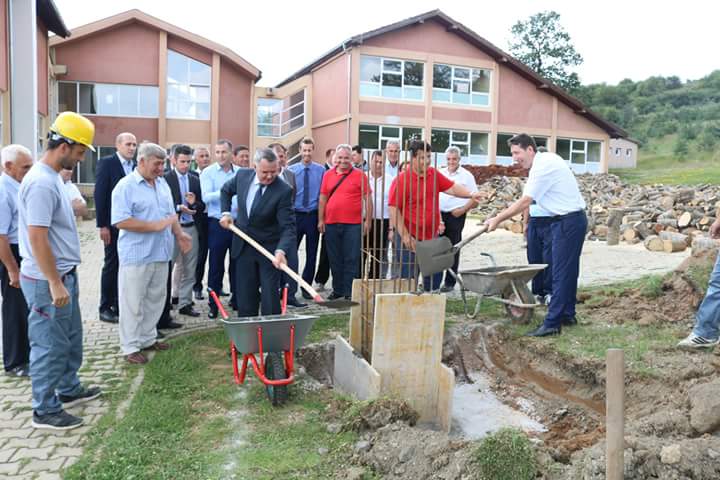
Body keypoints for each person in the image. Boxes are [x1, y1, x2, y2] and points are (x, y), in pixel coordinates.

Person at [18, 112, 102, 430]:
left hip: (63, 276)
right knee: (48, 345)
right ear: (64, 145)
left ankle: (68, 389)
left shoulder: (53, 177)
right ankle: (44, 408)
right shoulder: (40, 182)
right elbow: (37, 237)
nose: (81, 159)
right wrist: (54, 281)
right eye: (80, 152)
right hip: (46, 281)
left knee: (69, 338)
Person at [485, 133, 587, 337]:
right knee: (567, 271)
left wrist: (497, 219)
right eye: (512, 153)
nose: (514, 158)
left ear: (530, 149)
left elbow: (525, 201)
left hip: (568, 221)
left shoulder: (542, 166)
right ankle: (567, 314)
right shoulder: (546, 160)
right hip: (565, 221)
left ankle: (552, 323)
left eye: (517, 152)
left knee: (559, 274)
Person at [112, 142, 192, 364]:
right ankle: (130, 346)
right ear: (142, 161)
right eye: (157, 164)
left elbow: (170, 215)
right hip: (137, 255)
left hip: (161, 253)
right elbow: (120, 220)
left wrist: (179, 235)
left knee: (156, 299)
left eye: (163, 164)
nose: (160, 169)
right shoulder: (125, 186)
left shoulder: (162, 184)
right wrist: (154, 226)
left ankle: (147, 338)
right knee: (132, 302)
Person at [389, 140, 485, 291]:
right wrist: (406, 236)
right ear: (413, 158)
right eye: (422, 157)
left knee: (434, 276)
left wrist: (471, 194)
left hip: (431, 236)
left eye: (429, 157)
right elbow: (394, 209)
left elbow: (452, 188)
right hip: (409, 238)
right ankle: (409, 305)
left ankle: (430, 299)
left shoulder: (433, 174)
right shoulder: (402, 180)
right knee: (408, 279)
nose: (427, 161)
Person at [219, 148, 295, 316]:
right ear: (254, 167)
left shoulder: (283, 190)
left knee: (270, 297)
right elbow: (225, 190)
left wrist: (281, 251)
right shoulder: (242, 177)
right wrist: (225, 213)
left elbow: (288, 227)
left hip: (269, 251)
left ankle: (270, 336)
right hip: (243, 247)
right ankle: (248, 337)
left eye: (273, 172)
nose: (269, 176)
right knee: (245, 297)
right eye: (264, 172)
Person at [94, 132, 137, 324]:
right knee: (112, 263)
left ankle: (119, 304)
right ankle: (105, 306)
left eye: (134, 145)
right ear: (118, 145)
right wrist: (102, 225)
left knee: (126, 264)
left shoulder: (136, 166)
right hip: (112, 225)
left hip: (132, 225)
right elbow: (100, 194)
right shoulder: (107, 163)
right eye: (128, 144)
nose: (132, 148)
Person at [318, 144, 371, 300]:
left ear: (351, 158)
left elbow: (368, 198)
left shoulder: (360, 175)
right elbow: (322, 198)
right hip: (331, 223)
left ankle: (349, 291)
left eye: (346, 158)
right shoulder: (327, 175)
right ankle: (337, 290)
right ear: (335, 158)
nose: (343, 161)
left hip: (353, 225)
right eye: (340, 157)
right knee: (334, 258)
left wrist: (368, 220)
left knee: (351, 258)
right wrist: (320, 219)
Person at [0, 145, 33, 377]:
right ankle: (15, 362)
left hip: (22, 248)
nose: (29, 171)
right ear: (8, 166)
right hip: (10, 252)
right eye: (25, 167)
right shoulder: (3, 190)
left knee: (24, 307)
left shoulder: (19, 186)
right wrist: (12, 270)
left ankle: (27, 354)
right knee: (14, 307)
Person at [200, 140, 238, 318]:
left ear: (231, 153)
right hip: (217, 224)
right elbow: (206, 197)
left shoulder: (240, 172)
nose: (221, 155)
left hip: (237, 224)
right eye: (218, 152)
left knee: (237, 264)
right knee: (216, 265)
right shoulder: (208, 173)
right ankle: (213, 304)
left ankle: (237, 299)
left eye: (224, 152)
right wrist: (227, 190)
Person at [165, 144, 204, 317]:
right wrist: (180, 207)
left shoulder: (195, 179)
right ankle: (165, 304)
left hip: (191, 228)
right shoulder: (165, 179)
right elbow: (162, 206)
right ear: (173, 160)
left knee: (190, 267)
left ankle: (185, 303)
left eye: (189, 161)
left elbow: (201, 206)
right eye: (182, 161)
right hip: (173, 229)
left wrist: (194, 204)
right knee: (168, 266)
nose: (186, 165)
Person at [288, 137, 325, 300]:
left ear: (313, 150)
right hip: (296, 215)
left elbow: (323, 195)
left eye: (310, 150)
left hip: (312, 216)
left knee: (311, 254)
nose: (307, 153)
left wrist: (320, 219)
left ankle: (306, 286)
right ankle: (290, 287)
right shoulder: (291, 170)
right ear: (300, 151)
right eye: (304, 150)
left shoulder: (321, 170)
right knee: (291, 253)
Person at [269, 142, 305, 308]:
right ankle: (273, 295)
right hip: (270, 227)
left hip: (288, 224)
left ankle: (290, 295)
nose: (279, 160)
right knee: (274, 262)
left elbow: (293, 197)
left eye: (281, 156)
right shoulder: (266, 175)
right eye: (275, 157)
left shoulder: (290, 175)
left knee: (292, 260)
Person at [438, 146, 478, 292]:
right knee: (437, 247)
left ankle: (449, 282)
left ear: (459, 159)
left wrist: (462, 210)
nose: (451, 162)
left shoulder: (467, 176)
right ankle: (435, 280)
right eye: (449, 159)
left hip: (456, 216)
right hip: (439, 215)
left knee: (453, 248)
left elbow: (476, 198)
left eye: (454, 159)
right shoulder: (440, 173)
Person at [365, 150, 393, 279]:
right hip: (365, 220)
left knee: (378, 254)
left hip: (383, 221)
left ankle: (374, 280)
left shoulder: (390, 180)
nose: (378, 164)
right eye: (375, 161)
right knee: (363, 252)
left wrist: (391, 228)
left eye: (381, 162)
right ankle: (359, 280)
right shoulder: (362, 177)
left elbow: (393, 205)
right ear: (370, 161)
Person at [314, 148, 335, 291]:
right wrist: (321, 219)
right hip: (327, 218)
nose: (338, 160)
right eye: (335, 157)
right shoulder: (324, 172)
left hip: (340, 220)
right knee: (325, 252)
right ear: (329, 157)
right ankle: (321, 279)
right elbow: (322, 197)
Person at [193, 146, 211, 300]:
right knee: (201, 254)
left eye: (207, 156)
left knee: (216, 255)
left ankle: (214, 286)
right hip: (199, 219)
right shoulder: (193, 176)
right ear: (195, 159)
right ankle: (197, 286)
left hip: (213, 218)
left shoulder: (213, 174)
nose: (205, 158)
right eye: (201, 156)